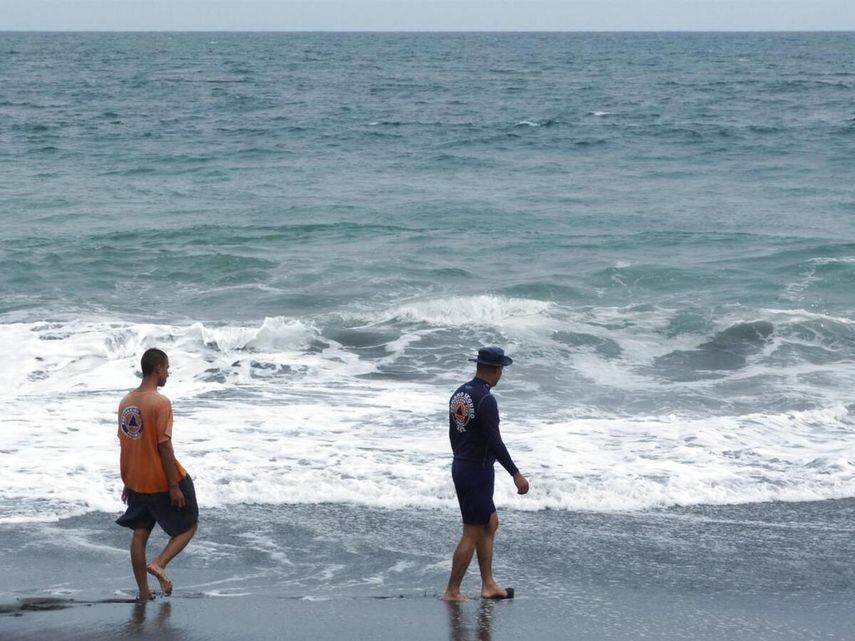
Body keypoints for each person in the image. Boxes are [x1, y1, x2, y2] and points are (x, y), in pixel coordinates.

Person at [443, 346, 529, 602]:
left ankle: (488, 585)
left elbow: (453, 433)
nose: (502, 373)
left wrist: (461, 459)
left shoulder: (460, 393)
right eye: (501, 368)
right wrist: (516, 473)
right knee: (472, 531)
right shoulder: (486, 399)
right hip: (476, 471)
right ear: (496, 369)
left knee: (490, 523)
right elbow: (494, 441)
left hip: (464, 465)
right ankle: (452, 591)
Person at [116, 348, 198, 601]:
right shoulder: (160, 403)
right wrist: (173, 485)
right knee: (190, 524)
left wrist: (127, 480)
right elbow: (164, 445)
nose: (168, 375)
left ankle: (143, 593)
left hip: (137, 480)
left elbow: (126, 442)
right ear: (158, 369)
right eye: (167, 369)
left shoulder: (126, 402)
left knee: (140, 532)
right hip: (162, 479)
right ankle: (160, 563)